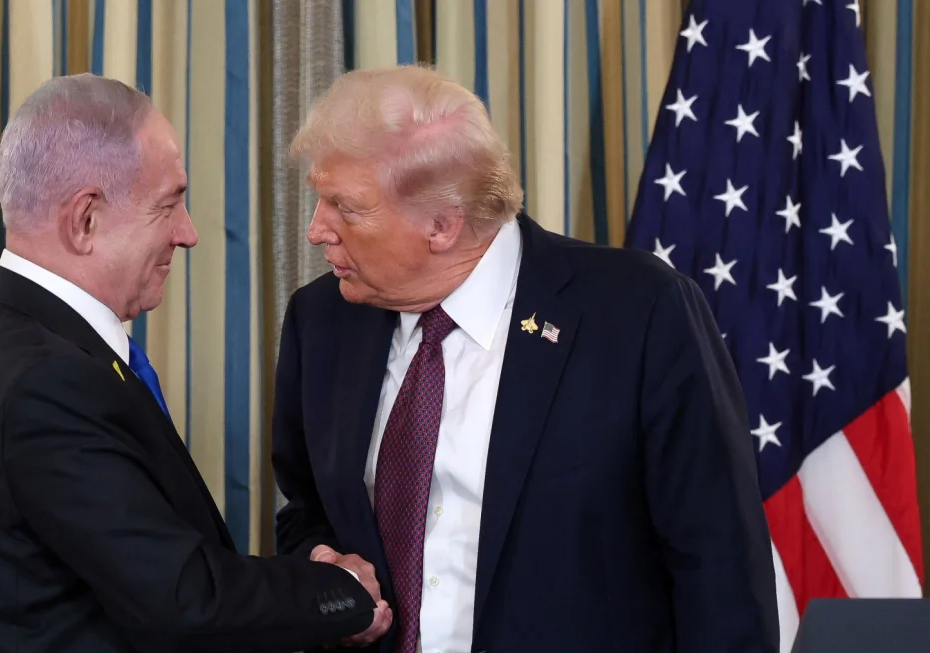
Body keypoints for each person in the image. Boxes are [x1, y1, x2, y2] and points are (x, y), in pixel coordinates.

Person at [271, 65, 780, 653]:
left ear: (441, 224)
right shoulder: (323, 320)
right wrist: (321, 562)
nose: (316, 231)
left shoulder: (638, 312)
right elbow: (305, 508)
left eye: (346, 208)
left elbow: (719, 564)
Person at [0, 74, 391, 653]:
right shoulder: (43, 379)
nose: (188, 234)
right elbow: (182, 598)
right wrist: (339, 592)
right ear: (85, 220)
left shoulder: (11, 342)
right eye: (169, 204)